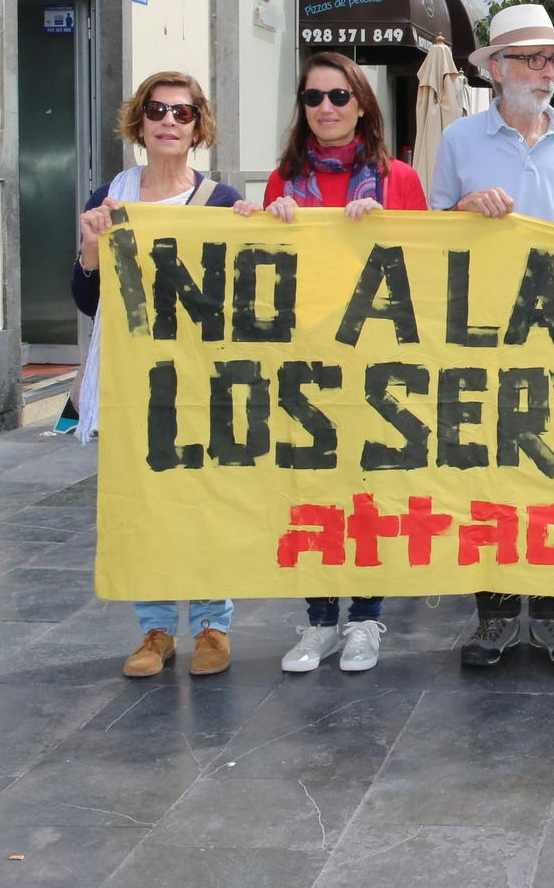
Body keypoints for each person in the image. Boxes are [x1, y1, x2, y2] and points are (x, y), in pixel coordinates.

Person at [232, 51, 426, 674]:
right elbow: (266, 272)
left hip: (375, 361)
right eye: (313, 98)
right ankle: (318, 622)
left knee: (367, 490)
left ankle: (366, 620)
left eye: (339, 97)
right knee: (311, 488)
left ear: (362, 104)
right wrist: (270, 224)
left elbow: (424, 269)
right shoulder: (281, 181)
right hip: (305, 361)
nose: (326, 109)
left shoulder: (399, 179)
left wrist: (385, 229)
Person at [429, 3, 554, 668]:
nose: (547, 71)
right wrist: (465, 210)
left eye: (553, 59)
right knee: (489, 476)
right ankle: (495, 616)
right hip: (483, 337)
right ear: (496, 69)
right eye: (532, 59)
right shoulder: (459, 142)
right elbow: (432, 231)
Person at [72, 71, 244, 680]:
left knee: (202, 499)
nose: (169, 121)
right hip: (130, 379)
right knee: (140, 500)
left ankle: (212, 626)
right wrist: (91, 250)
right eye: (157, 110)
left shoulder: (221, 203)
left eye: (183, 112)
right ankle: (154, 628)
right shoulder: (111, 195)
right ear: (139, 122)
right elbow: (90, 301)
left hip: (198, 379)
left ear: (199, 127)